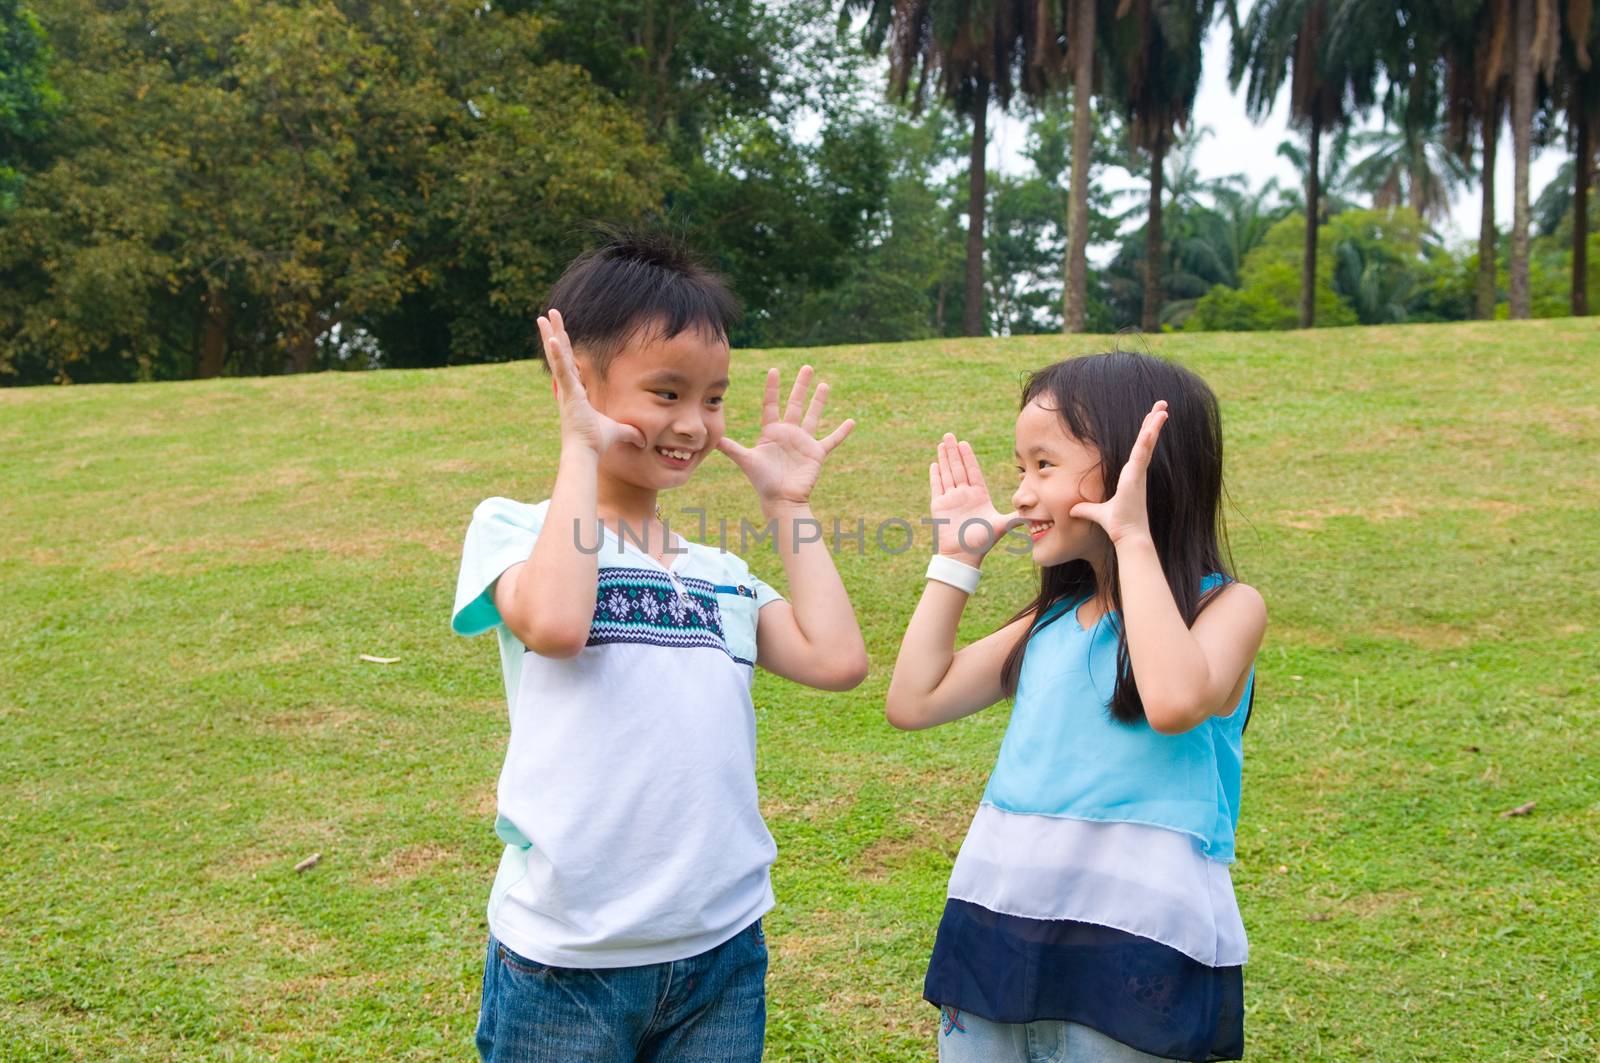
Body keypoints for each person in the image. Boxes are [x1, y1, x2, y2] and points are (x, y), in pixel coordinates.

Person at [451, 231, 868, 1062]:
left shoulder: (718, 574)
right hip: (570, 959)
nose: (692, 424)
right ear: (578, 381)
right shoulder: (517, 530)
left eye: (713, 399)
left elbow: (836, 658)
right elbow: (559, 628)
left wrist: (787, 504)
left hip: (721, 946)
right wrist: (579, 445)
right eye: (667, 392)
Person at [885, 351, 1267, 1062]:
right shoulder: (1051, 622)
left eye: (1044, 466)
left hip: (1137, 954)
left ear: (1137, 470)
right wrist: (955, 560)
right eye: (1019, 469)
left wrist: (1132, 535)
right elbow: (914, 698)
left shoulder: (1227, 607)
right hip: (997, 934)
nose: (1022, 495)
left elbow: (1176, 700)